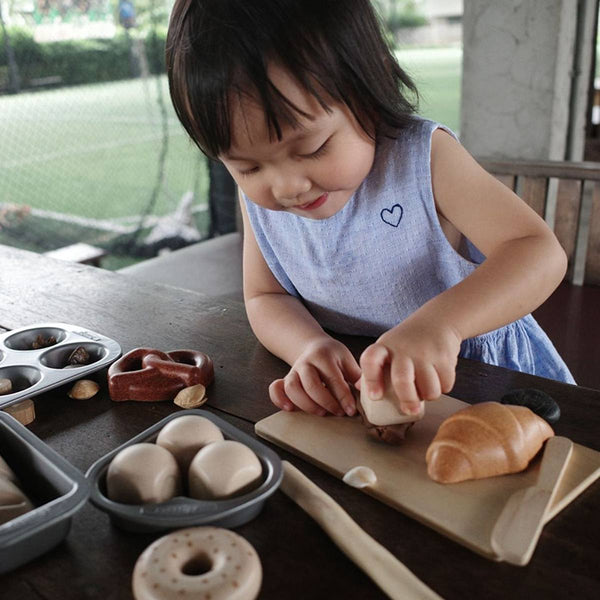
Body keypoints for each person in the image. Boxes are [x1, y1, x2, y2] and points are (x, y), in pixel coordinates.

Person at [166, 0, 575, 419]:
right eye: (247, 166)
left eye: (312, 147)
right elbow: (265, 296)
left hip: (482, 378)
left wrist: (441, 326)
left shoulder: (423, 160)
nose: (286, 186)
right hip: (364, 388)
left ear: (366, 89)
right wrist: (308, 346)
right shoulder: (262, 200)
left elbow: (537, 250)